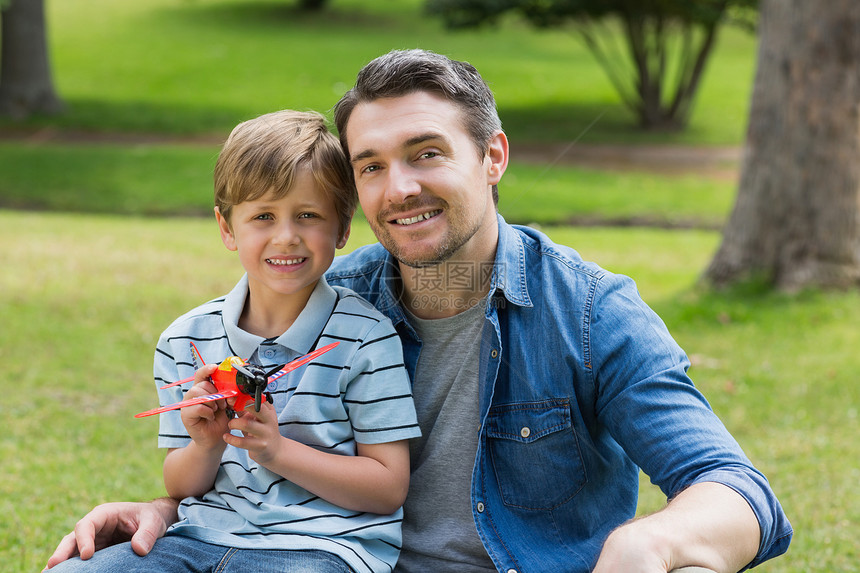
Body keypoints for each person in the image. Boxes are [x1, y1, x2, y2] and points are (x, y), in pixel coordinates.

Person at [46, 50, 792, 573]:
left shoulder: (590, 312)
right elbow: (256, 474)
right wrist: (163, 508)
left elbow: (736, 488)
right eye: (371, 165)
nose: (398, 187)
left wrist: (651, 545)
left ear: (492, 157)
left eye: (426, 153)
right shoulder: (339, 296)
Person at [46, 110, 421, 573]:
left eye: (308, 215)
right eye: (263, 216)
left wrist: (277, 451)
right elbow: (182, 486)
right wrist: (204, 445)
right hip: (198, 537)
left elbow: (387, 488)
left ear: (342, 228)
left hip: (322, 548)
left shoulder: (366, 337)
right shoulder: (185, 339)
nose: (286, 237)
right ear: (227, 227)